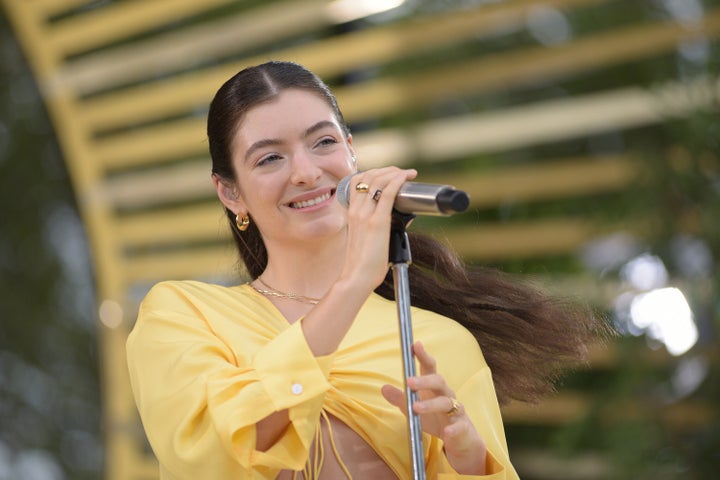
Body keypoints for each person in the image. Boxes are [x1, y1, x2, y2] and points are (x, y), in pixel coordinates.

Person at [126, 61, 604, 479]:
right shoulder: (182, 315)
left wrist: (470, 458)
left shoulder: (435, 342)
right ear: (231, 193)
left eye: (323, 142)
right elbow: (214, 450)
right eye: (271, 157)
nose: (307, 172)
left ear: (352, 153)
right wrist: (354, 282)